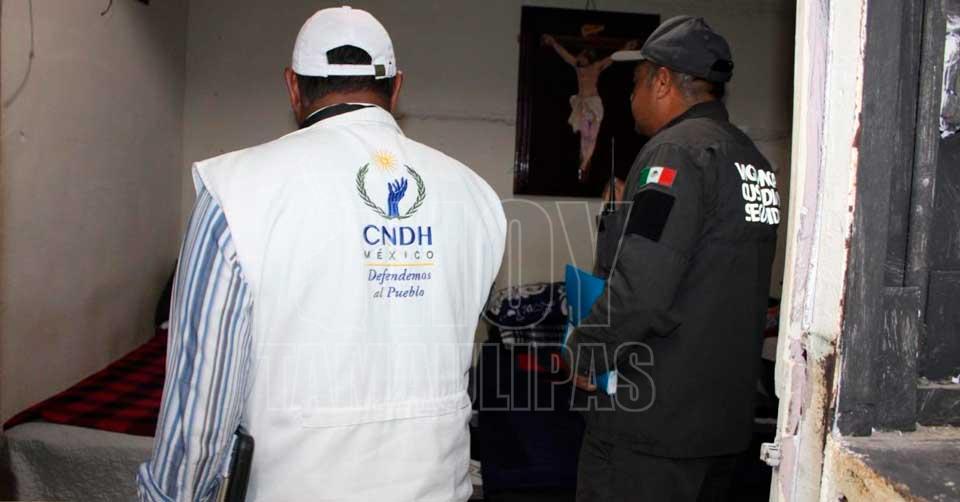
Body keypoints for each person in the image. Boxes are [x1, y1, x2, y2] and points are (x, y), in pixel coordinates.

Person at [137, 6, 506, 501]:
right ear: (396, 87)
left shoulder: (236, 193)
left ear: (293, 87)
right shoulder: (476, 197)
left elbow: (198, 417)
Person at [564, 16, 780, 501]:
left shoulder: (675, 153)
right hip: (719, 424)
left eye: (636, 82)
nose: (630, 96)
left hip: (652, 426)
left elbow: (643, 283)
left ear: (662, 81)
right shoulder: (752, 160)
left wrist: (587, 349)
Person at [542, 34, 638, 182]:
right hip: (582, 104)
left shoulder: (596, 67)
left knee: (592, 136)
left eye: (581, 57)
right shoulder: (577, 67)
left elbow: (612, 58)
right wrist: (553, 42)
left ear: (588, 58)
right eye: (579, 57)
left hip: (593, 103)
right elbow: (564, 54)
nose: (579, 59)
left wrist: (626, 47)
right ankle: (584, 162)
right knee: (585, 135)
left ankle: (585, 163)